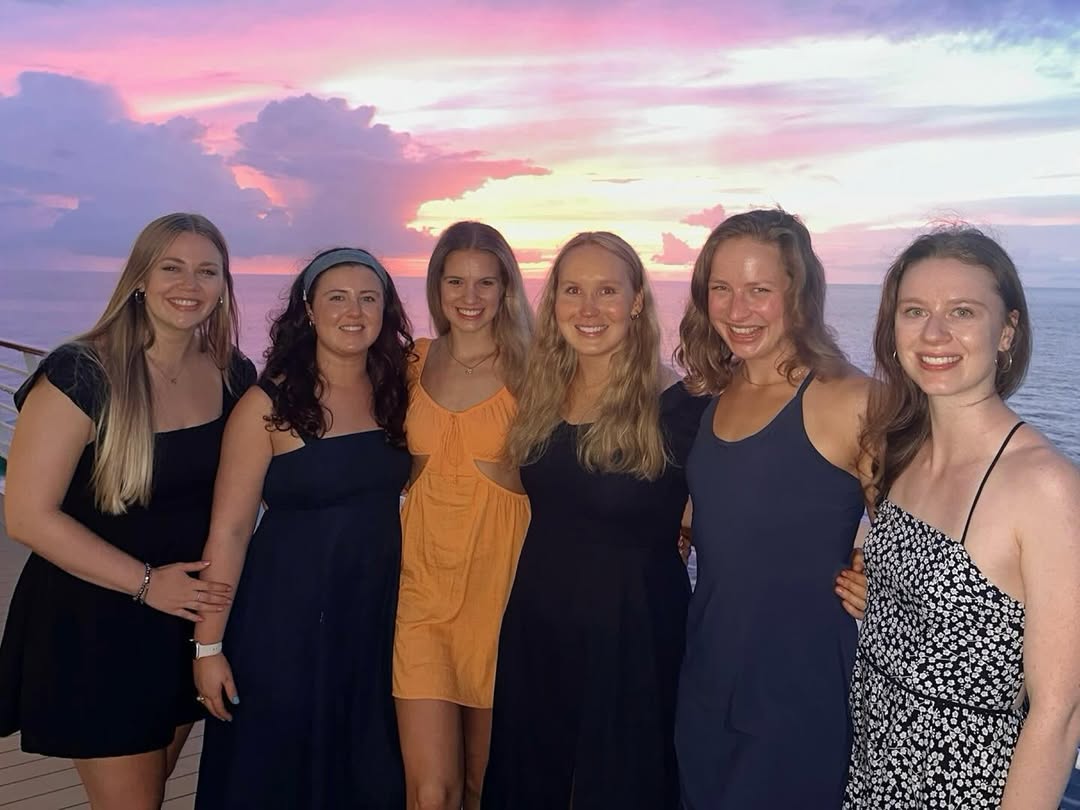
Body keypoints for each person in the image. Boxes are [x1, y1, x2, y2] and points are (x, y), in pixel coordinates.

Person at [0, 213, 253, 808]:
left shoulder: (231, 373)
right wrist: (146, 584)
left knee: (149, 793)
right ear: (140, 277)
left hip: (184, 621)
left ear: (223, 286)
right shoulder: (82, 373)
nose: (189, 284)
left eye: (206, 271)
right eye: (172, 267)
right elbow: (27, 515)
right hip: (97, 619)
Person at [844, 227, 1080, 809]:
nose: (934, 333)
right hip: (872, 770)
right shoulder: (902, 452)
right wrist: (885, 599)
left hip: (963, 789)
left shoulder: (1044, 487)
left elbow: (1059, 714)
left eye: (963, 311)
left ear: (1007, 331)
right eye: (915, 311)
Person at [481, 231, 707, 810]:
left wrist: (855, 553)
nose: (588, 308)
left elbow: (742, 506)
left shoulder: (682, 408)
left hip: (634, 635)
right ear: (553, 301)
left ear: (636, 301)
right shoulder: (540, 395)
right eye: (572, 290)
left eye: (607, 290)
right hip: (538, 624)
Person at [193, 248, 414, 809]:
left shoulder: (398, 391)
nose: (353, 311)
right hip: (283, 621)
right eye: (337, 297)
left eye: (368, 298)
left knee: (364, 768)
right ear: (309, 310)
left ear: (385, 310)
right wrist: (208, 647)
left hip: (375, 617)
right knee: (276, 771)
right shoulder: (267, 405)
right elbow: (230, 531)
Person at [674, 208, 872, 808]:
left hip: (798, 692)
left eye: (760, 290)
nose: (738, 310)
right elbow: (726, 513)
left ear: (799, 293)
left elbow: (930, 528)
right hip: (708, 674)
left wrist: (882, 574)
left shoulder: (849, 399)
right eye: (722, 288)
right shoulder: (711, 395)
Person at [393, 222, 533, 810]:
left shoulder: (536, 368)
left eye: (485, 282)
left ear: (506, 288)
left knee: (486, 785)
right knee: (431, 791)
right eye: (456, 281)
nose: (469, 297)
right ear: (437, 285)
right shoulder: (411, 362)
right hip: (420, 591)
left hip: (504, 589)